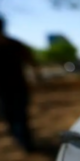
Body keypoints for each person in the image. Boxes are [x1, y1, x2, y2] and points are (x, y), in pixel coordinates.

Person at [0, 17, 38, 152]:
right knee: (9, 116)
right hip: (5, 91)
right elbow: (32, 62)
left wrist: (35, 78)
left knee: (20, 116)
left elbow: (31, 62)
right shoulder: (16, 44)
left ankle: (26, 143)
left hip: (18, 88)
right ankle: (20, 138)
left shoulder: (15, 45)